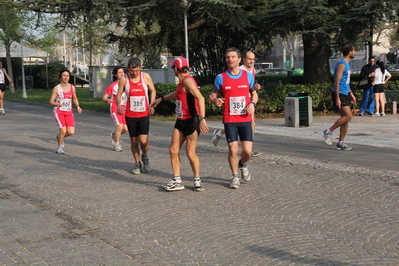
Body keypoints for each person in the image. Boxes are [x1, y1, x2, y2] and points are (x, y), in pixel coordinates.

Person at [151, 57, 209, 192]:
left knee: (190, 153)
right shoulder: (183, 82)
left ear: (176, 69)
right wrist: (162, 98)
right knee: (173, 150)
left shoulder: (188, 81)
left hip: (191, 121)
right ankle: (177, 181)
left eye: (173, 67)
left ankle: (197, 180)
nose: (173, 70)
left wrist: (202, 118)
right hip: (181, 120)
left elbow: (200, 97)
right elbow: (177, 94)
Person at [209, 47, 258, 189]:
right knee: (232, 149)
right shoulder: (221, 77)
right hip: (230, 119)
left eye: (232, 57)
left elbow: (254, 93)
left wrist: (253, 104)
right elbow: (212, 95)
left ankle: (242, 164)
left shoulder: (247, 76)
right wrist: (215, 100)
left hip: (245, 118)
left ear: (239, 59)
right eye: (227, 57)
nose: (230, 59)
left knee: (247, 152)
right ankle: (235, 176)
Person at [212, 51, 262, 157]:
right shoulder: (239, 69)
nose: (251, 61)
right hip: (232, 110)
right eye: (249, 59)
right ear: (242, 59)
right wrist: (216, 100)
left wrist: (253, 101)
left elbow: (253, 88)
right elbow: (213, 95)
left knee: (251, 123)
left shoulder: (251, 71)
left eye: (253, 59)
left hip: (247, 104)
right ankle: (245, 148)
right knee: (243, 125)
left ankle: (248, 149)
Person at [116, 57, 156, 175]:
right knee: (134, 141)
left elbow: (153, 90)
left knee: (143, 141)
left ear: (140, 68)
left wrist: (152, 105)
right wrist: (119, 105)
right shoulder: (124, 79)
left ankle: (145, 157)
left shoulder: (145, 77)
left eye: (137, 71)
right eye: (132, 71)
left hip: (143, 113)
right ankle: (137, 163)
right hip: (130, 114)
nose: (134, 73)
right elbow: (119, 94)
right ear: (128, 68)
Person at [322, 43, 356, 151]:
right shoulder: (341, 64)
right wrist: (337, 98)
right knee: (348, 116)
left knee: (345, 119)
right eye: (353, 50)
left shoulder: (347, 64)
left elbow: (346, 82)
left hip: (345, 93)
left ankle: (341, 142)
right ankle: (328, 131)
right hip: (339, 93)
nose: (354, 52)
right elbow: (336, 82)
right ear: (350, 52)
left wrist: (351, 93)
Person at [49, 70, 83, 154]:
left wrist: (78, 106)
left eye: (67, 76)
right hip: (59, 112)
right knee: (63, 131)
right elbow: (51, 101)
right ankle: (60, 147)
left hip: (68, 112)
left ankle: (59, 137)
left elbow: (74, 98)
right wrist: (57, 104)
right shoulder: (57, 88)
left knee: (71, 132)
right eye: (64, 76)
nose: (66, 77)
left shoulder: (72, 87)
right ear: (60, 77)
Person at [102, 66, 128, 151]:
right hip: (115, 109)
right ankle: (116, 145)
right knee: (119, 127)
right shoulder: (113, 86)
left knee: (125, 129)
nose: (122, 74)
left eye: (123, 72)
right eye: (119, 72)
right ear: (116, 75)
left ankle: (114, 135)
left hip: (124, 109)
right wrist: (107, 100)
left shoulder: (127, 84)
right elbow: (104, 97)